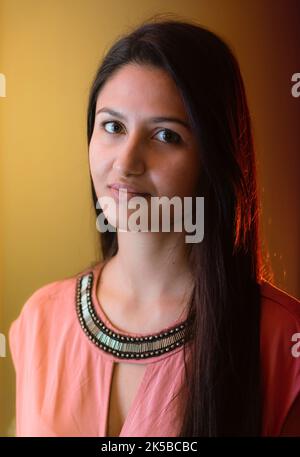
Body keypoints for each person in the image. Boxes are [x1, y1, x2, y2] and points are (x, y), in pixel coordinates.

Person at [9, 17, 300, 437]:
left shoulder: (282, 342)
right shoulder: (38, 321)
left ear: (213, 159)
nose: (126, 163)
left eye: (165, 136)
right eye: (113, 127)